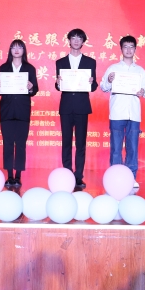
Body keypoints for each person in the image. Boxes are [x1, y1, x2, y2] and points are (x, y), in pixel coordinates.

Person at [100, 35, 145, 189]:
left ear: (135, 49)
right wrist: (109, 80)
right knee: (116, 148)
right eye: (125, 47)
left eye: (131, 47)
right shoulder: (113, 68)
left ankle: (131, 177)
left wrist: (142, 91)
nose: (128, 50)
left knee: (132, 148)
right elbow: (103, 87)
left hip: (134, 114)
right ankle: (115, 178)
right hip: (117, 113)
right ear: (121, 49)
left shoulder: (140, 70)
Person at [55, 28, 98, 188]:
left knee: (81, 143)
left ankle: (79, 176)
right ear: (69, 40)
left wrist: (91, 82)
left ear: (83, 42)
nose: (76, 41)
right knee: (66, 142)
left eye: (79, 38)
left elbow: (93, 87)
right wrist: (58, 83)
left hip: (81, 106)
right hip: (66, 106)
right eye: (73, 38)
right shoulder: (60, 62)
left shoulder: (90, 62)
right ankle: (67, 174)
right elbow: (59, 86)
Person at [0, 39, 39, 187]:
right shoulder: (3, 67)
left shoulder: (30, 69)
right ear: (10, 50)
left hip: (22, 110)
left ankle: (18, 176)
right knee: (7, 143)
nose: (17, 50)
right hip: (6, 110)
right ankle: (9, 176)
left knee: (20, 144)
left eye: (20, 47)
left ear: (24, 50)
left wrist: (31, 87)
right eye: (14, 47)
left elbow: (35, 89)